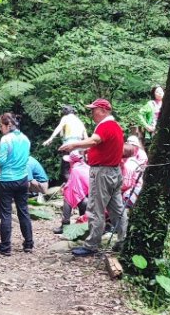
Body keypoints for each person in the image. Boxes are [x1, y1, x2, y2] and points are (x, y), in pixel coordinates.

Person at [60, 98, 127, 257]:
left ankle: (91, 245)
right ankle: (123, 240)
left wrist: (74, 145)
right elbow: (99, 144)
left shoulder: (106, 126)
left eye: (94, 109)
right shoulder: (115, 126)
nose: (92, 113)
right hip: (114, 172)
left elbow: (95, 140)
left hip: (103, 173)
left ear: (103, 110)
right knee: (117, 208)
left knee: (96, 208)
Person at [0, 112, 33, 256]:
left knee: (6, 213)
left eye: (1, 126)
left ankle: (5, 247)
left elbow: (2, 161)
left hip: (6, 179)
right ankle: (28, 244)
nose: (0, 128)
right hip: (22, 178)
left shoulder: (6, 140)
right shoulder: (25, 139)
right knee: (23, 211)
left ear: (8, 125)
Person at [44, 105, 87, 181]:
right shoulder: (79, 121)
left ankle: (70, 184)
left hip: (70, 145)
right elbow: (85, 136)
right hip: (80, 145)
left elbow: (59, 127)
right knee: (80, 166)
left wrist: (51, 138)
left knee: (66, 168)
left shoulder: (66, 118)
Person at [53, 149, 89, 234]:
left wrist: (64, 189)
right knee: (80, 197)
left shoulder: (75, 170)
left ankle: (65, 224)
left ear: (72, 161)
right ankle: (83, 222)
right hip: (96, 202)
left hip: (91, 204)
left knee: (67, 199)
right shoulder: (86, 167)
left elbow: (72, 191)